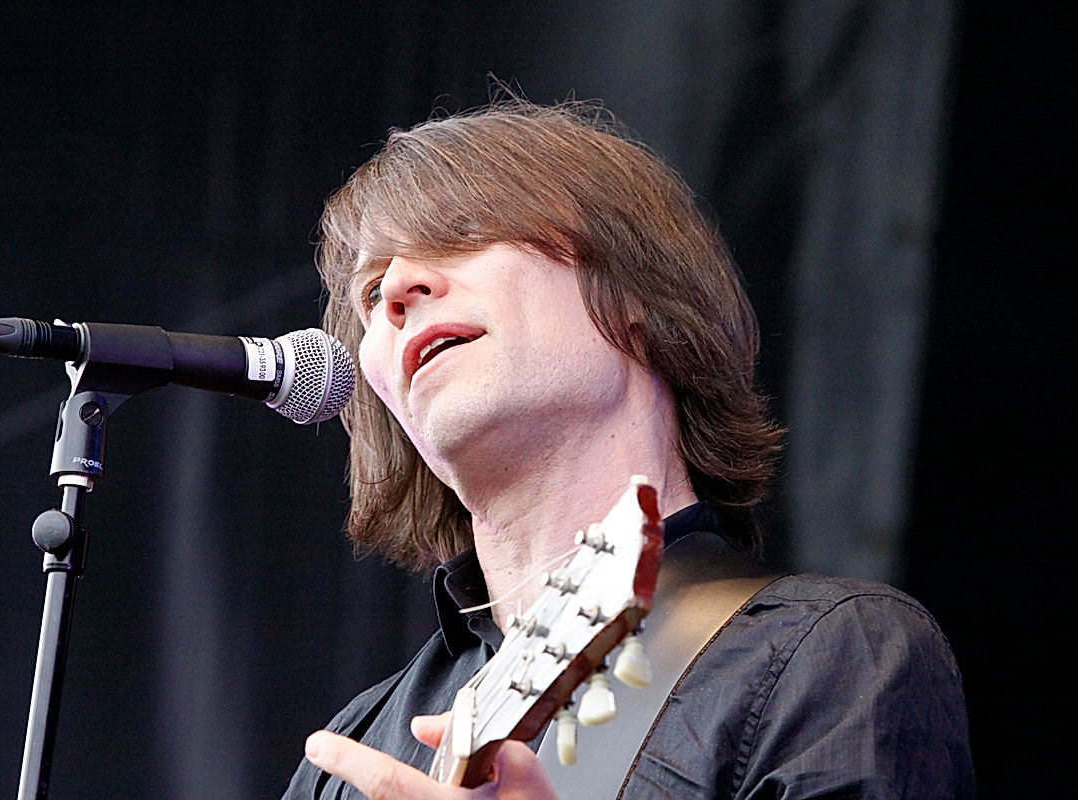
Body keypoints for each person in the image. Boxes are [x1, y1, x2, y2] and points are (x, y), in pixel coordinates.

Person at [282, 99, 975, 799]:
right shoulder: (352, 754)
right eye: (370, 293)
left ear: (633, 286)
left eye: (460, 232)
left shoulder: (831, 656)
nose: (398, 288)